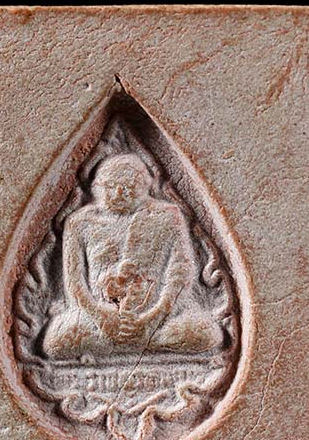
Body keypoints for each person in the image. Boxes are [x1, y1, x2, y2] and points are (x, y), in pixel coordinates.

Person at [42, 153, 223, 360]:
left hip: (159, 316)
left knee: (207, 333)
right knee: (55, 341)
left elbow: (181, 274)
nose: (120, 193)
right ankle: (139, 342)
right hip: (98, 317)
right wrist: (101, 316)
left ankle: (137, 340)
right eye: (111, 186)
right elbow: (74, 283)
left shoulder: (167, 216)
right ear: (97, 188)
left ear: (145, 186)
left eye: (129, 186)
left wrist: (153, 317)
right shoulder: (79, 222)